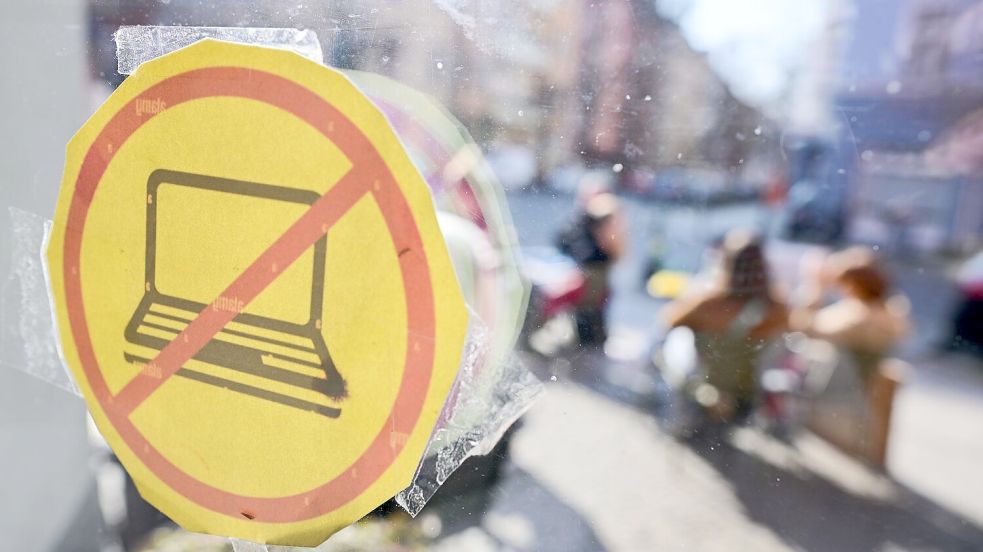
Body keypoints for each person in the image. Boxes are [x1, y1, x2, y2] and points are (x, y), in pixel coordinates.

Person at [662, 230, 788, 422]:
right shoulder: (777, 309)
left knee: (678, 338)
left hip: (703, 386)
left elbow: (668, 320)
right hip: (745, 394)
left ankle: (673, 403)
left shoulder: (709, 304)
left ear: (727, 263)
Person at [790, 247, 909, 389]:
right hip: (863, 392)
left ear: (852, 284)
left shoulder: (857, 316)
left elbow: (803, 327)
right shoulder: (890, 313)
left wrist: (816, 286)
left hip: (840, 392)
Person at [556, 180, 626, 345]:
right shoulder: (586, 217)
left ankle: (591, 340)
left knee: (591, 307)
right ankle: (591, 339)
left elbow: (613, 244)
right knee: (589, 308)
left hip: (595, 269)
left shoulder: (602, 213)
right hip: (591, 268)